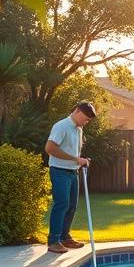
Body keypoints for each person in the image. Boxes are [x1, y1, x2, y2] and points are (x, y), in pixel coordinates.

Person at [44, 101, 96, 254]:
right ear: (78, 112)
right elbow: (50, 148)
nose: (86, 122)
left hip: (73, 172)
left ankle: (65, 237)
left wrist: (81, 161)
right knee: (61, 204)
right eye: (86, 119)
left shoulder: (78, 129)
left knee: (72, 206)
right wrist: (75, 159)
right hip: (59, 171)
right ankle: (53, 241)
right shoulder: (61, 126)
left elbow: (73, 152)